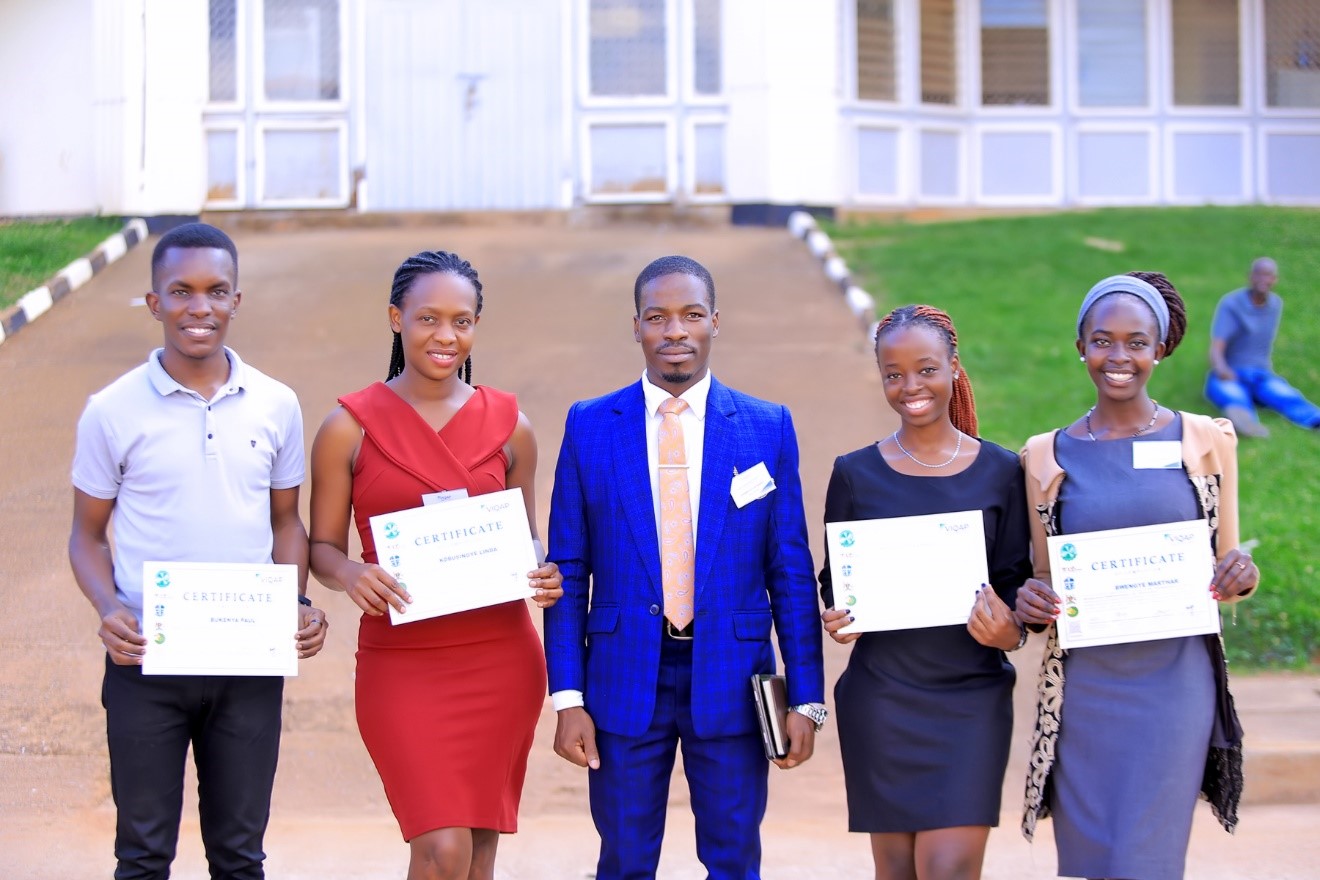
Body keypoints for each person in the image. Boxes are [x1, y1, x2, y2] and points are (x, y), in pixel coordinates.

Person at [543, 255, 826, 880]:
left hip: (733, 675)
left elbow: (790, 570)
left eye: (691, 315)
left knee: (733, 859)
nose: (675, 330)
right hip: (621, 680)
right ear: (637, 328)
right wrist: (567, 697)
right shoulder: (589, 425)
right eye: (658, 317)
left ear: (715, 322)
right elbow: (568, 566)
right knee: (623, 861)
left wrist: (807, 699)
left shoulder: (765, 426)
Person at [67, 222, 328, 880]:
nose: (199, 308)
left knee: (239, 857)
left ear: (237, 300)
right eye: (180, 292)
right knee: (143, 854)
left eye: (216, 291)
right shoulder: (111, 410)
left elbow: (286, 523)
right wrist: (106, 606)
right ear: (154, 302)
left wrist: (294, 601)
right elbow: (86, 535)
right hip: (147, 663)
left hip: (246, 664)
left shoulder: (276, 404)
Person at [307, 250, 563, 880]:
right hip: (404, 661)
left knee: (477, 853)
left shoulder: (512, 428)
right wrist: (348, 573)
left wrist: (542, 569)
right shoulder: (348, 427)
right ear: (396, 319)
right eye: (428, 318)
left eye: (462, 321)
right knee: (441, 848)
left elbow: (524, 537)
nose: (446, 336)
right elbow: (321, 547)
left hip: (501, 656)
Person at [1017, 272, 1261, 880]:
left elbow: (1229, 561)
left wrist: (1241, 575)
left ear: (1160, 349)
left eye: (1136, 342)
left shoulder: (1205, 440)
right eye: (1103, 340)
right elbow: (1043, 574)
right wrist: (1031, 596)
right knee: (1089, 859)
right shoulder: (1045, 456)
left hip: (1173, 685)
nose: (1118, 357)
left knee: (1145, 861)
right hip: (1086, 691)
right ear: (1081, 345)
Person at [818, 305, 1031, 880]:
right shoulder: (855, 474)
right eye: (894, 373)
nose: (910, 386)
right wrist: (839, 614)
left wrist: (1010, 629)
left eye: (926, 369)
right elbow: (836, 579)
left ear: (954, 368)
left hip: (971, 701)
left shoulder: (1003, 471)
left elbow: (1016, 579)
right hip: (883, 700)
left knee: (949, 870)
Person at [1205, 256, 1320, 436]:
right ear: (1250, 277)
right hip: (1231, 371)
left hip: (1260, 374)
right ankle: (1246, 424)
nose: (1262, 280)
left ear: (1275, 279)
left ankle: (1315, 420)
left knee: (1286, 395)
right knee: (1233, 396)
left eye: (1268, 275)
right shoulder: (1231, 304)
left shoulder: (1275, 305)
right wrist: (1222, 370)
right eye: (1258, 274)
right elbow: (1216, 347)